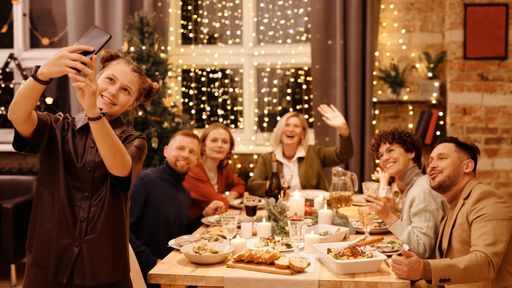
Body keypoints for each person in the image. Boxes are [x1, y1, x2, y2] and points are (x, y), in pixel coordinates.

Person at [8, 46, 160, 287]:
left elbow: (121, 168)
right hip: (49, 263)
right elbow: (17, 115)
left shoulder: (134, 141)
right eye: (109, 79)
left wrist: (93, 112)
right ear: (97, 77)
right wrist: (44, 72)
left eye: (125, 90)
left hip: (104, 269)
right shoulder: (58, 127)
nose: (112, 91)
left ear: (132, 104)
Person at [391, 137, 512, 287]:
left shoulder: (486, 199)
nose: (432, 166)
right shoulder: (454, 204)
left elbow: (485, 263)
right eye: (430, 162)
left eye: (442, 158)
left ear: (467, 166)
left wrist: (425, 269)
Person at [129, 130, 225, 287]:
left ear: (196, 160)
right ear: (166, 151)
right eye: (180, 148)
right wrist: (153, 263)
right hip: (147, 274)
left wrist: (203, 215)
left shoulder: (184, 192)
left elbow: (180, 234)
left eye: (192, 152)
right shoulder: (146, 181)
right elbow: (123, 231)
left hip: (173, 269)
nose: (185, 155)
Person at [365, 129, 448, 259]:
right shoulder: (409, 186)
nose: (385, 158)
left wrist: (389, 217)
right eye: (380, 155)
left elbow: (422, 248)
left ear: (410, 153)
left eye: (390, 150)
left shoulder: (424, 190)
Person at [247, 104, 353, 196]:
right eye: (287, 125)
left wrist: (343, 129)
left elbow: (344, 154)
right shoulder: (267, 158)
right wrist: (272, 185)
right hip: (279, 210)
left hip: (312, 209)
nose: (291, 129)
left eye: (296, 126)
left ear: (303, 133)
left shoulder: (315, 153)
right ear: (280, 130)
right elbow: (252, 186)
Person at [183, 122, 245, 222]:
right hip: (190, 228)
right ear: (203, 145)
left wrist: (231, 195)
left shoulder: (222, 169)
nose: (219, 145)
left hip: (211, 224)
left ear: (229, 148)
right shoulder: (193, 170)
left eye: (225, 142)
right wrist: (224, 199)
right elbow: (219, 202)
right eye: (214, 140)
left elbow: (240, 185)